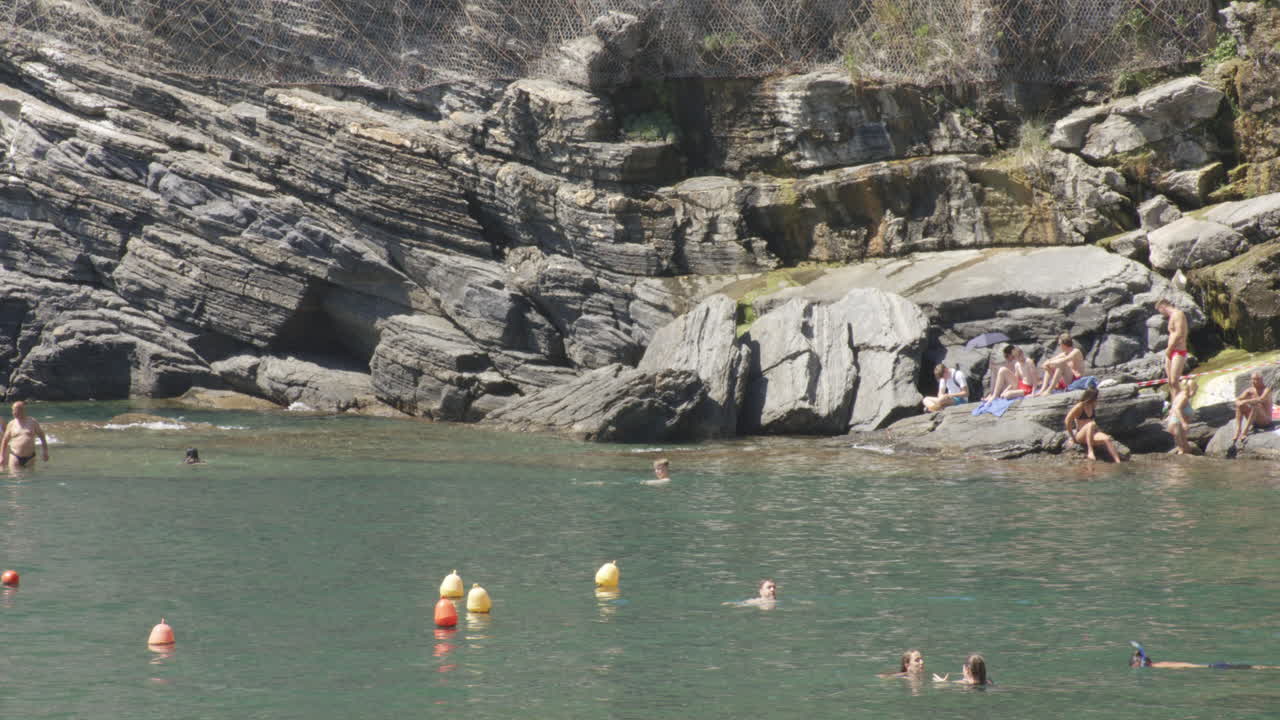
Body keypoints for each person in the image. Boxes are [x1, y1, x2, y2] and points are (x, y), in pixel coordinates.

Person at [1064, 387, 1123, 462]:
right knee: (1090, 424)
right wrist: (1072, 437)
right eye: (1096, 397)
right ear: (1091, 397)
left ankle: (1118, 461)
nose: (1097, 399)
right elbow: (1067, 420)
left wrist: (1099, 430)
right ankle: (1090, 451)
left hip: (1092, 433)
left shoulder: (1092, 405)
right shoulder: (1080, 406)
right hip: (1080, 435)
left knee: (1107, 439)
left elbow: (1092, 421)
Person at [1130, 645, 1280, 670]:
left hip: (1212, 667)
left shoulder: (1158, 666)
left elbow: (1185, 666)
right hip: (1211, 666)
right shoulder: (1159, 664)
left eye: (1134, 663)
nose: (1134, 665)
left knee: (1255, 668)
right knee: (1253, 668)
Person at [0, 401, 49, 472]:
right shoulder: (11, 424)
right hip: (15, 456)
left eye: (15, 410)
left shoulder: (32, 422)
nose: (13, 412)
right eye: (12, 410)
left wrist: (45, 452)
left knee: (30, 477)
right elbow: (5, 440)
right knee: (15, 478)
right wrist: (2, 456)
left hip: (30, 457)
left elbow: (42, 436)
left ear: (22, 410)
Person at [1156, 299, 1189, 394]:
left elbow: (1179, 333)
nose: (1161, 314)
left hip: (1178, 350)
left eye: (1160, 311)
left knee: (1174, 381)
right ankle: (1174, 405)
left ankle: (1181, 405)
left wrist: (1170, 349)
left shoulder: (1178, 314)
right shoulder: (1171, 317)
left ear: (1163, 307)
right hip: (1171, 351)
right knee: (1170, 382)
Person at [1232, 372, 1273, 444]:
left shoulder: (1266, 390)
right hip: (1254, 420)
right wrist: (1238, 402)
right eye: (1253, 379)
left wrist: (1245, 401)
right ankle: (1238, 429)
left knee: (1256, 405)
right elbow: (1238, 399)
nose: (1254, 382)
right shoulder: (1250, 390)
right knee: (1240, 406)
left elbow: (1261, 399)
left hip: (1265, 420)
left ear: (1261, 380)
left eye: (1256, 380)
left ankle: (1245, 431)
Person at [1165, 377, 1198, 455]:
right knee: (1182, 448)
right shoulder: (1184, 398)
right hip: (1177, 424)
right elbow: (1177, 409)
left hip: (1177, 423)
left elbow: (1173, 407)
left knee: (1186, 447)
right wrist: (1183, 423)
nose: (1195, 393)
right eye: (1195, 390)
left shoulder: (1181, 394)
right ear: (1191, 389)